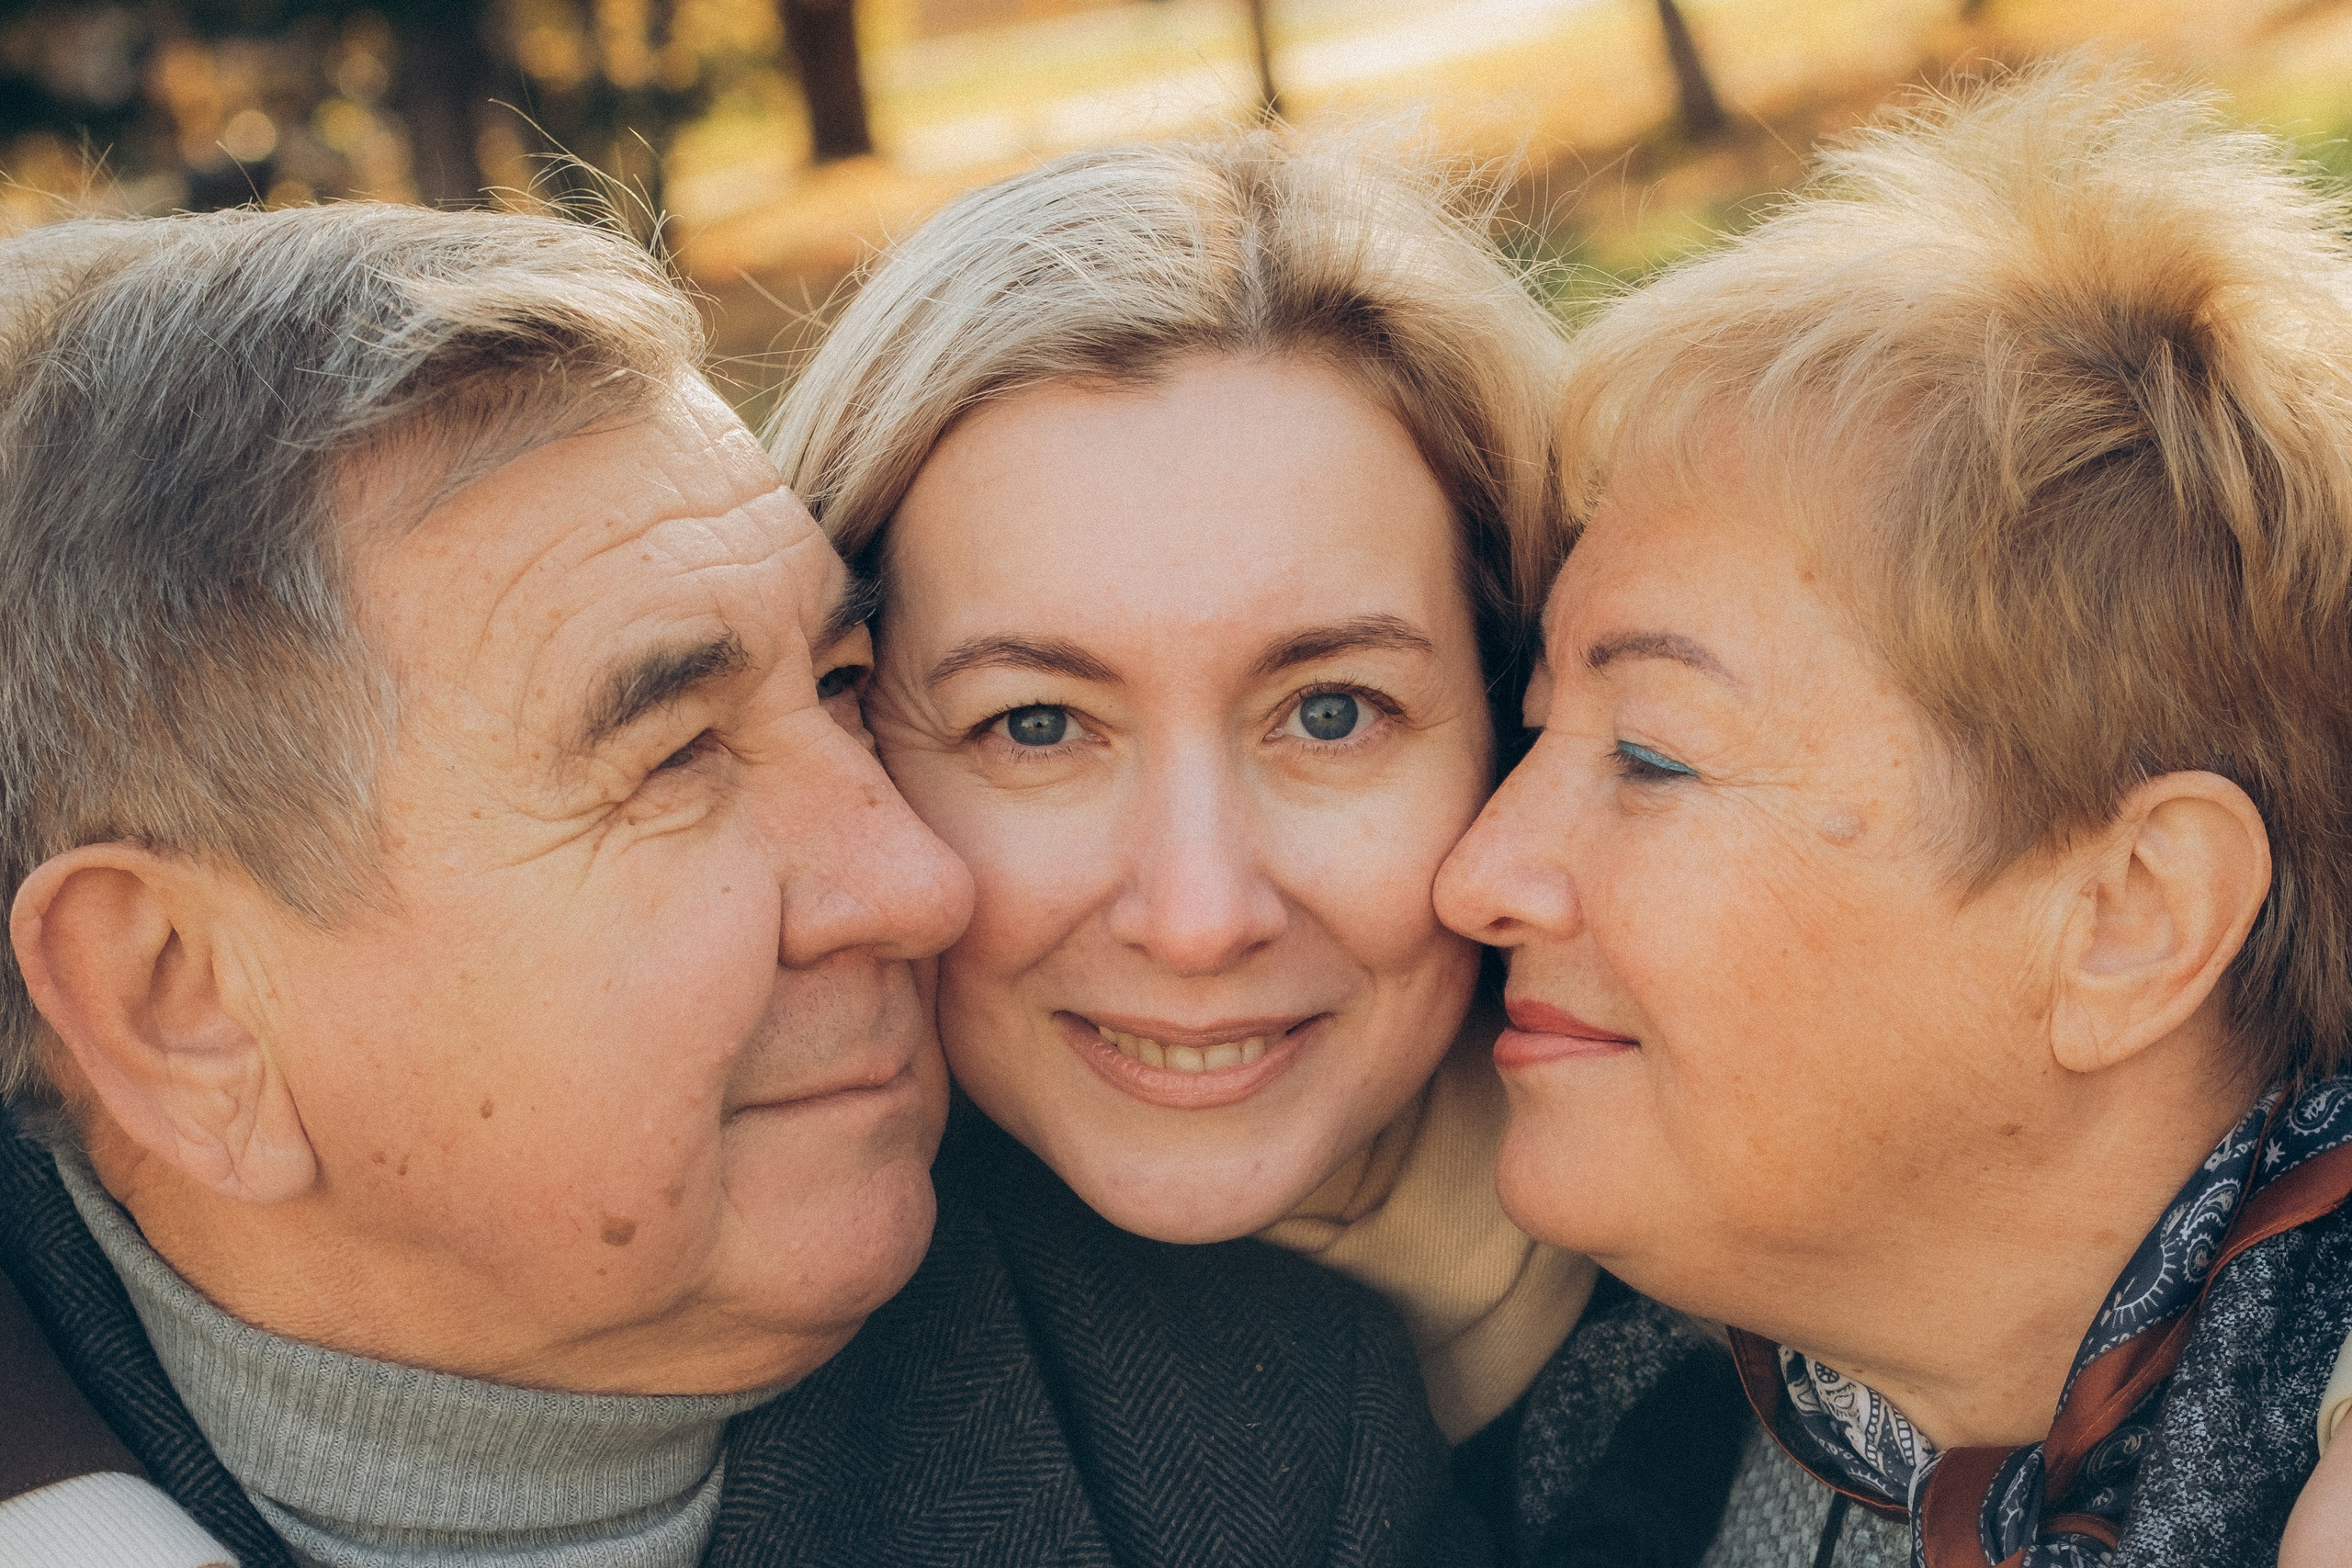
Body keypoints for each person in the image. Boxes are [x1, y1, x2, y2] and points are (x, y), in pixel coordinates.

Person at [0, 200, 1469, 1566]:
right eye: (676, 755)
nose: (914, 883)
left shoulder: (1251, 1463)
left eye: (837, 685)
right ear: (179, 1004)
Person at [768, 131, 1749, 1562]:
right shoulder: (725, 1371)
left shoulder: (1830, 1303)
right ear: (841, 731)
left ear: (1512, 717)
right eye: (1035, 724)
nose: (1198, 913)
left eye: (1332, 712)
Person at [1432, 59, 2352, 1567]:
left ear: (2129, 916)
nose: (1480, 872)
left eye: (1653, 757)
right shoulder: (1623, 1428)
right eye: (1535, 732)